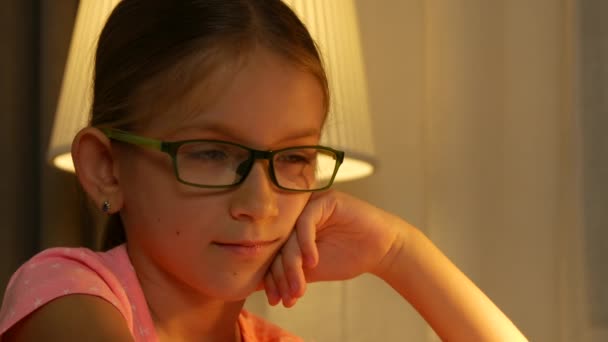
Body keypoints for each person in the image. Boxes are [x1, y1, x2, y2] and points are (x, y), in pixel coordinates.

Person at [0, 0, 527, 341]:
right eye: (211, 153)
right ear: (106, 168)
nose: (260, 203)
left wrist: (399, 252)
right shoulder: (65, 295)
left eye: (294, 158)